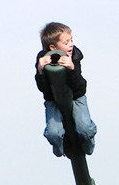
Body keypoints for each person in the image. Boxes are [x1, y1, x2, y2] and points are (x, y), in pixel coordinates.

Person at [35, 22, 97, 157]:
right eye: (66, 42)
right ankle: (59, 148)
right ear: (53, 47)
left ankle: (88, 145)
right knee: (53, 133)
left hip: (76, 97)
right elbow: (43, 89)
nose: (71, 44)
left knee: (84, 129)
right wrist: (40, 72)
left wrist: (72, 69)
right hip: (53, 99)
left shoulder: (74, 57)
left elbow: (80, 86)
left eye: (71, 40)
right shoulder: (43, 60)